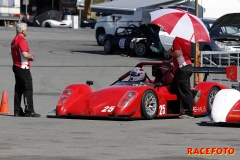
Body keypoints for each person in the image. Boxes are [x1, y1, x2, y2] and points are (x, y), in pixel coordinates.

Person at [163, 37, 201, 119]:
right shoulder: (187, 40)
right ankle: (192, 94)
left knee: (184, 90)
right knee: (173, 88)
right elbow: (181, 55)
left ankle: (189, 112)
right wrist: (169, 61)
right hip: (187, 66)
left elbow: (177, 54)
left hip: (182, 68)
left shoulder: (177, 40)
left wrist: (170, 52)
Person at [11, 23, 41, 117]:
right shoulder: (21, 40)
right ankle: (29, 110)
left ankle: (17, 110)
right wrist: (31, 57)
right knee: (28, 89)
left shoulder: (14, 39)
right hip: (23, 67)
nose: (27, 30)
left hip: (16, 66)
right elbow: (25, 54)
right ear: (23, 31)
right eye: (26, 29)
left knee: (18, 89)